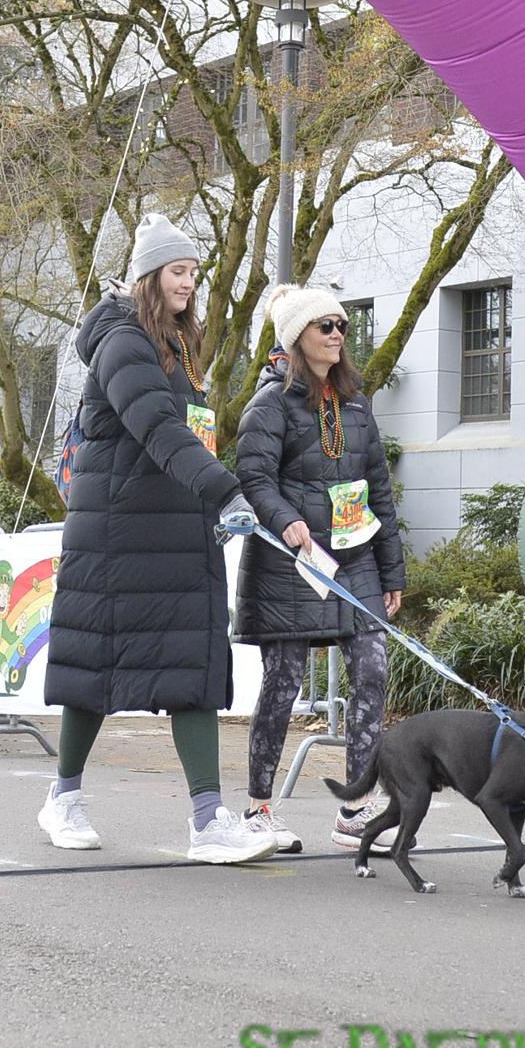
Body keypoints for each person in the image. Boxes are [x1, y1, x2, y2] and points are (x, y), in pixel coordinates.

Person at [38, 213, 274, 864]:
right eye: (177, 271)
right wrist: (223, 489)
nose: (188, 283)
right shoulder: (121, 342)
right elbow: (159, 430)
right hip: (115, 537)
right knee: (94, 666)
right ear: (147, 277)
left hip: (177, 532)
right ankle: (62, 797)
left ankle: (207, 819)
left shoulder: (174, 346)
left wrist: (212, 501)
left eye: (193, 272)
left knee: (193, 663)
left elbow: (190, 431)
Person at [234, 282, 406, 853]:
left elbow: (379, 490)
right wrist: (285, 520)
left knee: (373, 671)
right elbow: (253, 477)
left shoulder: (357, 404)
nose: (337, 335)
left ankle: (355, 808)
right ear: (296, 337)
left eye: (341, 327)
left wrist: (392, 572)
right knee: (283, 683)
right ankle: (259, 808)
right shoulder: (269, 404)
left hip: (355, 560)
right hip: (292, 563)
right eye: (325, 326)